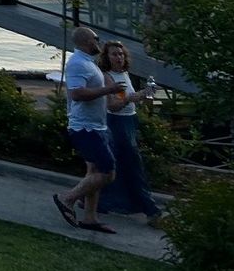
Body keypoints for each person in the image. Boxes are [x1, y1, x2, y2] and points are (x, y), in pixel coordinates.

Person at [53, 25, 129, 233]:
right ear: (88, 42)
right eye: (96, 38)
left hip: (98, 126)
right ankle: (67, 199)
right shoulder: (77, 64)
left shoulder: (88, 62)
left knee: (94, 172)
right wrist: (109, 89)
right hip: (85, 127)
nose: (99, 41)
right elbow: (77, 94)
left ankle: (90, 218)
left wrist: (112, 94)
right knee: (108, 172)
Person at [95, 41, 162, 223]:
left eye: (121, 54)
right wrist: (132, 98)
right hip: (117, 123)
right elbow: (113, 105)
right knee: (132, 164)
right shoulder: (107, 77)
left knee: (121, 165)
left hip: (129, 120)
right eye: (114, 54)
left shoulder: (124, 74)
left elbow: (129, 99)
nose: (119, 57)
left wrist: (144, 95)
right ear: (107, 57)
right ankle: (150, 209)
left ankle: (100, 201)